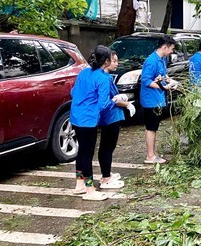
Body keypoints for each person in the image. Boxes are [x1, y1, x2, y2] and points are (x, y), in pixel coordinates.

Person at [70, 46, 129, 201]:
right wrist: (116, 101)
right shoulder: (103, 78)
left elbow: (73, 92)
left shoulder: (83, 72)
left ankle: (79, 184)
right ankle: (90, 189)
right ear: (107, 61)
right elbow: (103, 104)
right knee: (87, 154)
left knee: (81, 152)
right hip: (88, 119)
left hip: (76, 116)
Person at [98, 50, 135, 190]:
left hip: (109, 116)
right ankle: (106, 177)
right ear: (106, 61)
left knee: (106, 147)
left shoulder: (105, 76)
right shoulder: (104, 79)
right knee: (107, 147)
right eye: (114, 61)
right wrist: (125, 102)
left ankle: (106, 173)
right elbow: (110, 100)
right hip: (111, 117)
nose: (117, 64)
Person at [140, 34, 176, 164]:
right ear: (165, 47)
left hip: (158, 99)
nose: (172, 51)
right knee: (151, 128)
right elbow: (146, 81)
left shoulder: (162, 59)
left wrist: (170, 82)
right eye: (171, 48)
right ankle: (150, 156)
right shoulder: (151, 61)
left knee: (154, 127)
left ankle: (152, 154)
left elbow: (162, 76)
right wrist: (163, 87)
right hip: (150, 100)